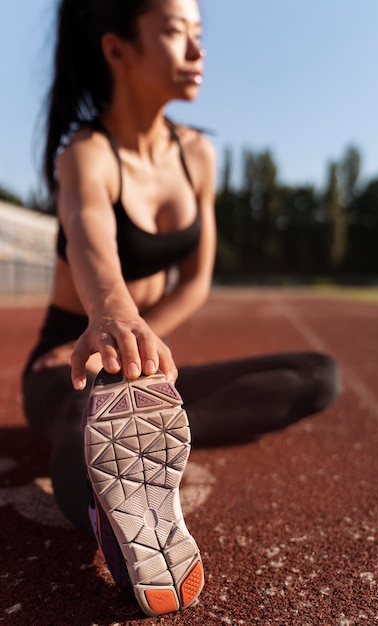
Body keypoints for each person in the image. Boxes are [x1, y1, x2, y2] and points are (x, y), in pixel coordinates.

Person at [22, 0, 341, 618]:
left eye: (200, 34)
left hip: (142, 364)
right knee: (81, 426)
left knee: (317, 375)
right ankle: (110, 512)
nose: (198, 52)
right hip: (74, 360)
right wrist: (111, 319)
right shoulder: (84, 154)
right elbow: (91, 239)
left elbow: (194, 282)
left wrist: (139, 338)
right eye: (175, 33)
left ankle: (144, 446)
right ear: (118, 49)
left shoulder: (197, 154)